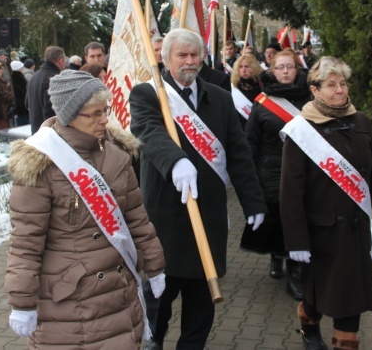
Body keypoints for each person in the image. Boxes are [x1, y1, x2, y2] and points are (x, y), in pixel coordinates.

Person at [5, 69, 166, 348]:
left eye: (106, 110)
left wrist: (155, 265)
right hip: (71, 303)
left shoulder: (116, 153)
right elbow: (25, 244)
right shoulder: (40, 164)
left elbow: (137, 218)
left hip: (118, 293)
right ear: (69, 115)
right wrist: (22, 302)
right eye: (95, 113)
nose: (105, 119)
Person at [129, 28, 267, 350]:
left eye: (195, 55)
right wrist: (175, 160)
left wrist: (253, 202)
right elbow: (147, 130)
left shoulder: (219, 97)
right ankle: (152, 341)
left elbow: (239, 153)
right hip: (167, 219)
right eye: (182, 55)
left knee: (201, 308)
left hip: (209, 217)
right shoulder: (148, 94)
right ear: (166, 59)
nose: (190, 62)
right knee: (160, 301)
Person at [279, 57, 372, 350]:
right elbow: (290, 192)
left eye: (343, 84)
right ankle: (309, 330)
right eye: (331, 85)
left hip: (357, 232)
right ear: (315, 89)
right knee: (316, 297)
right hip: (322, 233)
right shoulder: (302, 129)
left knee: (350, 302)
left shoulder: (361, 121)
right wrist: (296, 241)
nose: (339, 91)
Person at [241, 48, 312, 301]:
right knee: (276, 220)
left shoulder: (310, 98)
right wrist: (249, 177)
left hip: (302, 172)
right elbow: (251, 142)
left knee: (296, 219)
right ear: (273, 70)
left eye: (289, 67)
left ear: (297, 69)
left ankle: (294, 271)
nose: (285, 71)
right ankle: (276, 257)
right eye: (280, 67)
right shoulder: (261, 101)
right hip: (270, 170)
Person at [26, 46, 65, 133]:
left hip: (36, 129)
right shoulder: (54, 78)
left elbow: (27, 103)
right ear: (61, 60)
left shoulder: (34, 77)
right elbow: (50, 110)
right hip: (48, 133)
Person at [229, 54, 262, 129]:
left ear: (254, 68)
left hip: (255, 128)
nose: (243, 70)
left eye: (246, 67)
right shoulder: (233, 87)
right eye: (240, 67)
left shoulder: (261, 87)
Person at [10, 60, 29, 126]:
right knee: (23, 122)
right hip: (22, 104)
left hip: (20, 104)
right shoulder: (18, 78)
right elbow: (24, 91)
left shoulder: (15, 77)